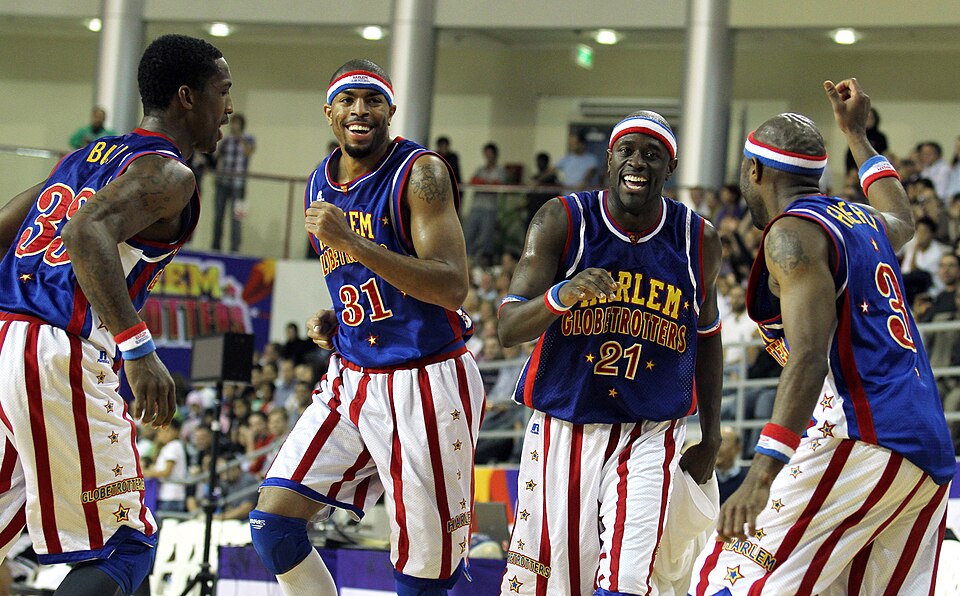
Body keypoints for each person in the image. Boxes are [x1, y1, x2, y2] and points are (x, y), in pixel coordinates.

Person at [690, 79, 953, 595]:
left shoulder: (791, 234)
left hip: (863, 430)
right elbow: (902, 218)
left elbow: (808, 358)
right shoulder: (859, 219)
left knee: (726, 583)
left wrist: (762, 473)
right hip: (925, 448)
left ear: (754, 171)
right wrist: (858, 134)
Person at [0, 34, 232, 596]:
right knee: (126, 545)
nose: (229, 107)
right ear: (187, 97)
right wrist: (138, 346)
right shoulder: (170, 174)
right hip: (54, 348)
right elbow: (87, 231)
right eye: (223, 92)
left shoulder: (84, 159)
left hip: (6, 336)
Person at [249, 59, 484, 596]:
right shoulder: (317, 180)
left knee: (423, 573)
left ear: (391, 111)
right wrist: (342, 314)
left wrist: (351, 241)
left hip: (426, 378)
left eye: (373, 100)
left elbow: (451, 285)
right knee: (273, 523)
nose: (361, 110)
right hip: (353, 372)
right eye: (349, 100)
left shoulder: (420, 172)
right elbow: (368, 277)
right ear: (329, 112)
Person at [497, 110, 723, 595]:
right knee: (558, 584)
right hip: (567, 426)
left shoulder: (697, 238)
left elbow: (709, 336)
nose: (637, 162)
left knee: (624, 581)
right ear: (609, 158)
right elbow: (509, 327)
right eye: (627, 150)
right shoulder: (562, 218)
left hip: (651, 431)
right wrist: (562, 295)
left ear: (670, 167)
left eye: (652, 154)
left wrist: (713, 434)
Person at [212, 113, 255, 252]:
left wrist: (238, 137)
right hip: (223, 182)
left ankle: (234, 248)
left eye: (237, 124)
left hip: (239, 184)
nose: (234, 126)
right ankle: (215, 246)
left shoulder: (248, 138)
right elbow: (218, 156)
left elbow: (248, 152)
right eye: (233, 123)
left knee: (236, 218)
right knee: (219, 214)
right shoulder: (226, 140)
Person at [464, 142, 508, 267]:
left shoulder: (500, 170)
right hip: (476, 207)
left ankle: (480, 264)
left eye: (490, 154)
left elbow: (497, 185)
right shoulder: (480, 169)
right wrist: (486, 183)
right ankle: (467, 262)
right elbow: (473, 181)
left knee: (485, 238)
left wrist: (484, 184)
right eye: (486, 154)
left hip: (490, 209)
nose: (488, 157)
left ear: (495, 155)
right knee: (468, 235)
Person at [715, 426, 748, 505]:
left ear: (737, 449)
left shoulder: (747, 480)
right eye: (715, 441)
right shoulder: (705, 480)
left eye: (723, 442)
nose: (717, 447)